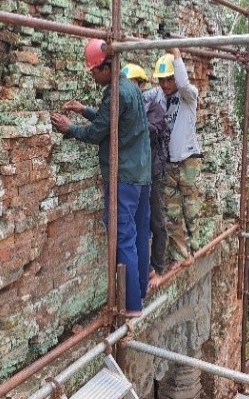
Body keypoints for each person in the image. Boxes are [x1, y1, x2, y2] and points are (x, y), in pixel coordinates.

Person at [50, 39, 151, 317]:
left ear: (107, 67)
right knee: (140, 232)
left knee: (123, 235)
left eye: (94, 70)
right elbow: (112, 120)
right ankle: (140, 288)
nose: (92, 76)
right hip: (141, 175)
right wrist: (85, 111)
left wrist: (70, 128)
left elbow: (97, 134)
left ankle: (131, 305)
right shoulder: (129, 87)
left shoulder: (115, 92)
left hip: (125, 177)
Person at [143, 48, 202, 271]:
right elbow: (136, 95)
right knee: (173, 214)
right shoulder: (157, 95)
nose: (166, 84)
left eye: (169, 79)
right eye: (162, 80)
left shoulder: (188, 96)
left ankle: (195, 249)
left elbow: (184, 84)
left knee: (191, 208)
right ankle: (181, 255)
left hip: (188, 161)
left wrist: (177, 55)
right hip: (167, 163)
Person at [121, 64, 170, 290]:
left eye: (132, 85)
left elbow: (148, 131)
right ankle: (143, 269)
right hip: (134, 178)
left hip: (152, 175)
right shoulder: (124, 109)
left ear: (140, 86)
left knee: (156, 222)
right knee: (136, 227)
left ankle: (158, 267)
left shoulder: (154, 109)